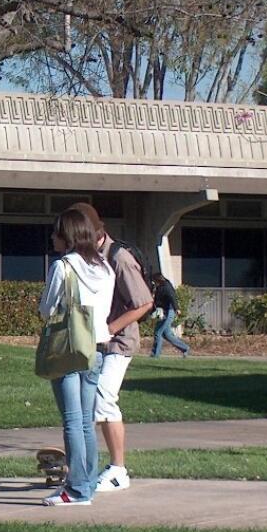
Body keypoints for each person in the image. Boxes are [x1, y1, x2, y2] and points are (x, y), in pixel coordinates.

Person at [70, 202, 153, 493]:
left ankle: (118, 470)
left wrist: (111, 328)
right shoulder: (89, 257)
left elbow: (144, 302)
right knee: (89, 402)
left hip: (119, 343)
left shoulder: (119, 258)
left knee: (104, 398)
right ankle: (87, 466)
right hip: (95, 342)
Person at [38, 208, 115, 506]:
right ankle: (86, 484)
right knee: (86, 421)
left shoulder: (63, 267)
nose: (53, 237)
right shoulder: (105, 268)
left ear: (67, 235)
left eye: (57, 231)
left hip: (69, 349)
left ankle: (77, 489)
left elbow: (47, 309)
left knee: (72, 421)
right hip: (95, 348)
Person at [150, 271, 190, 358]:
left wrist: (177, 309)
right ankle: (185, 348)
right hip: (163, 312)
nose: (153, 282)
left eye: (154, 281)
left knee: (158, 332)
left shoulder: (166, 287)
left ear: (158, 280)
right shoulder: (159, 287)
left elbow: (172, 297)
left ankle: (155, 355)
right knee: (167, 335)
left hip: (169, 312)